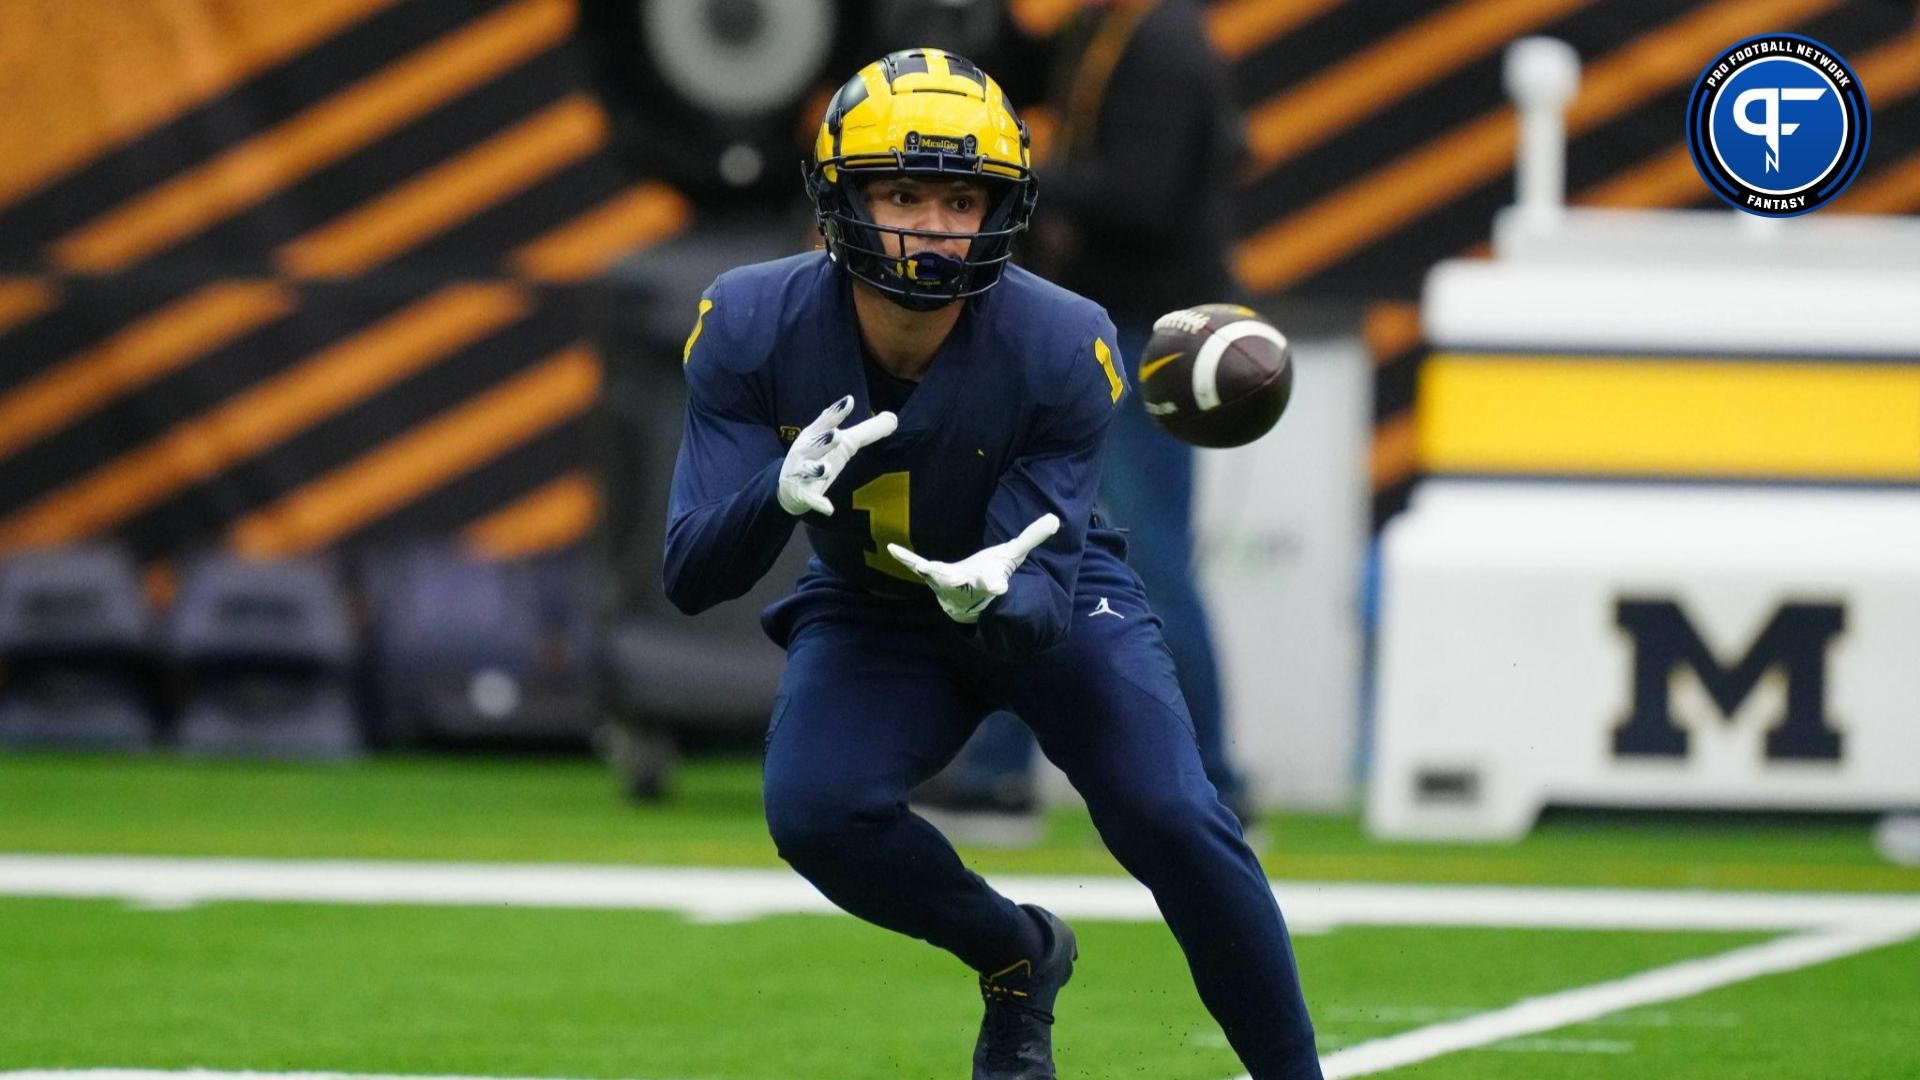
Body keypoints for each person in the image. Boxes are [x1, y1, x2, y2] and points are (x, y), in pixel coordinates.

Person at [662, 47, 1321, 1080]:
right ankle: (1017, 953)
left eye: (960, 199)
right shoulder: (752, 322)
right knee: (815, 810)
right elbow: (690, 572)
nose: (930, 225)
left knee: (1176, 818)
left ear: (1000, 210)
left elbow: (1036, 606)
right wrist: (772, 496)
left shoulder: (1061, 340)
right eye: (904, 192)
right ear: (840, 198)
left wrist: (999, 596)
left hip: (1053, 591)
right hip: (872, 601)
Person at [918, 0, 1253, 824]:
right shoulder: (1104, 31)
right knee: (1033, 540)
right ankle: (999, 771)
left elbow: (1143, 196)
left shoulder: (1161, 44)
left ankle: (1209, 779)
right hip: (1100, 330)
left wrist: (1009, 176)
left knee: (1142, 560)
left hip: (1142, 335)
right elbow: (1016, 74)